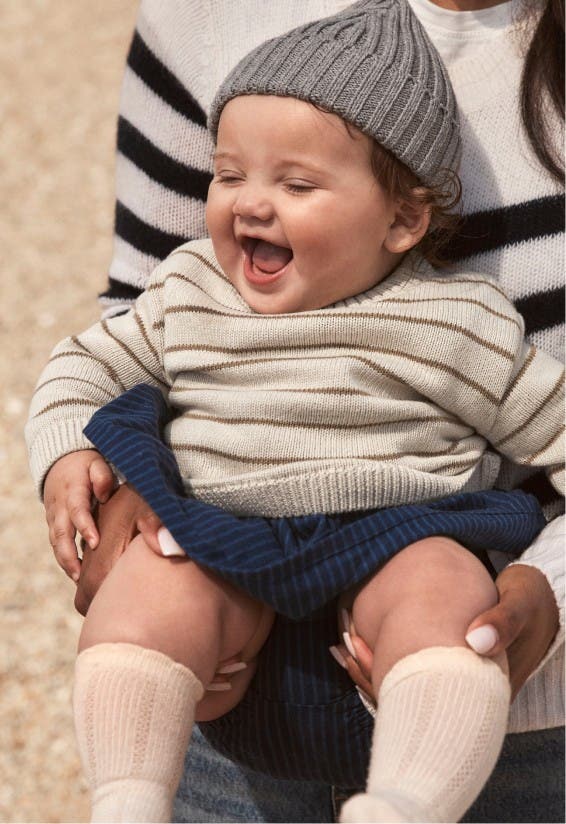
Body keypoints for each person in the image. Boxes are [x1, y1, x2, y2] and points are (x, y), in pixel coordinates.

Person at [26, 1, 564, 821]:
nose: (250, 203)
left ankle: (408, 802)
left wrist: (551, 579)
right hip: (223, 523)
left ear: (405, 219)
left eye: (298, 183)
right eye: (229, 173)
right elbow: (89, 359)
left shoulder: (456, 322)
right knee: (155, 593)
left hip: (401, 525)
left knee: (443, 601)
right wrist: (74, 458)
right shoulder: (191, 288)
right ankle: (127, 799)